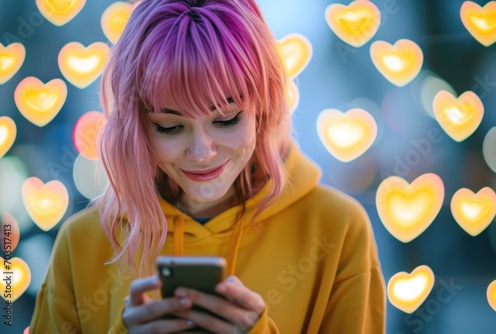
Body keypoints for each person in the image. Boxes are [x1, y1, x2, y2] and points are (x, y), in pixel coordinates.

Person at [30, 0, 386, 332]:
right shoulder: (82, 244)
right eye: (169, 126)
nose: (202, 153)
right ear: (135, 125)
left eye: (227, 120)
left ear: (263, 108)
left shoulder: (338, 230)